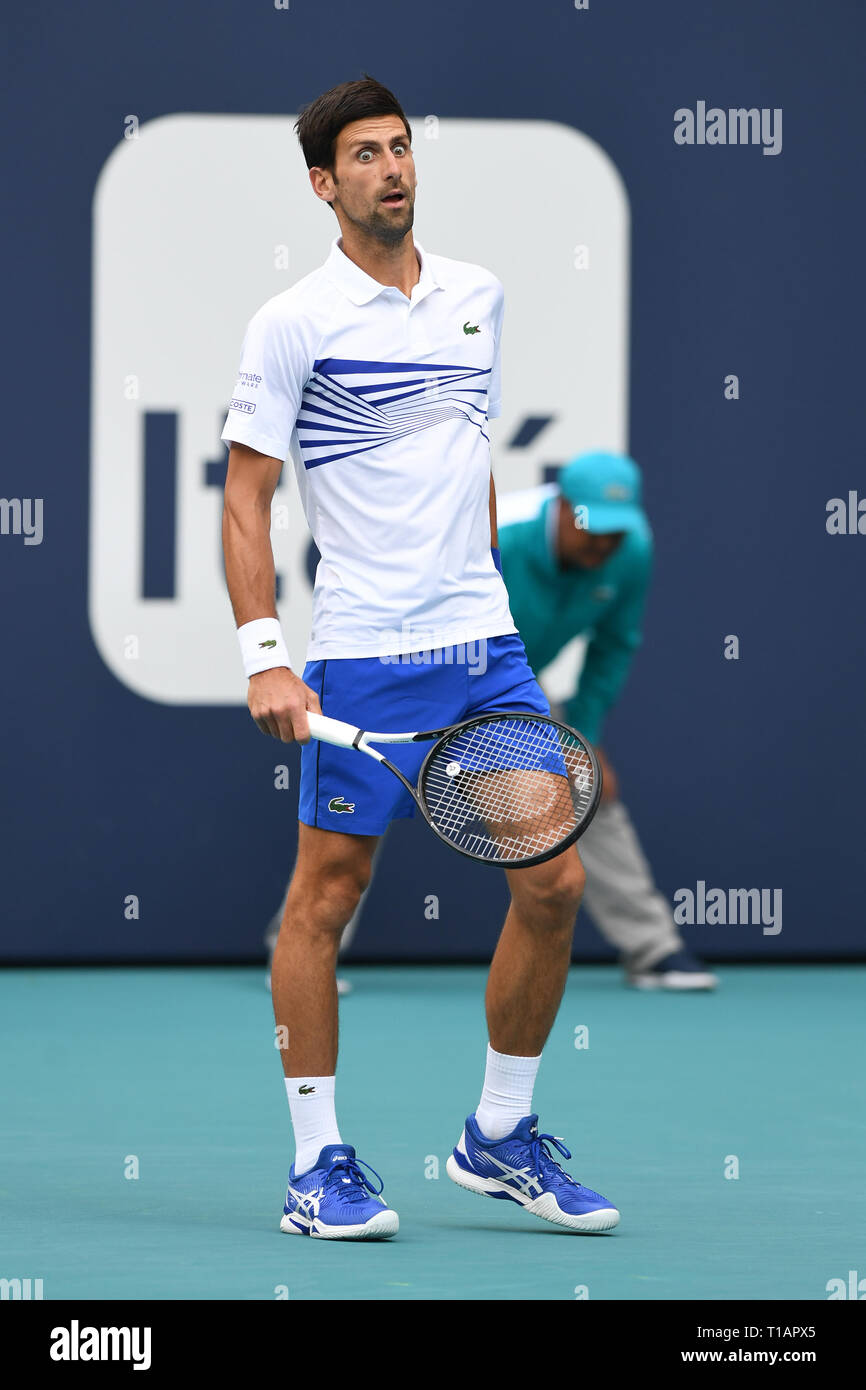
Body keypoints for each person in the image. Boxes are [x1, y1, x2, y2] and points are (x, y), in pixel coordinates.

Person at [220, 76, 620, 1241]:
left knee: (552, 882)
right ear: (322, 183)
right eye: (364, 154)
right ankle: (315, 1163)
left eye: (400, 149)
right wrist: (265, 656)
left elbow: (467, 453)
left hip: (481, 647)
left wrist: (487, 593)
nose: (391, 168)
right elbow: (247, 497)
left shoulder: (476, 298)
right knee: (324, 897)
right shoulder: (291, 322)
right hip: (365, 654)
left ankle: (497, 1136)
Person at [497, 453, 718, 990]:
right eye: (592, 527)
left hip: (515, 682)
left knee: (586, 784)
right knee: (362, 797)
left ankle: (654, 950)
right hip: (426, 666)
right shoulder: (501, 534)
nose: (603, 544)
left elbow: (613, 646)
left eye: (615, 531)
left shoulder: (631, 551)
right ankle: (312, 942)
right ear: (563, 507)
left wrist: (587, 737)